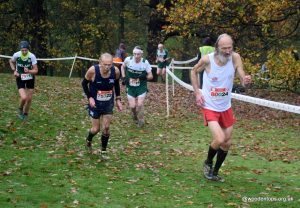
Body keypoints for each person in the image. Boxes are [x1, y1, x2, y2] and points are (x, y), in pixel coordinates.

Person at [191, 34, 251, 182]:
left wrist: (245, 80)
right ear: (217, 48)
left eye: (230, 47)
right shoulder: (207, 60)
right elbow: (193, 71)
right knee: (219, 138)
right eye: (224, 48)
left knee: (227, 142)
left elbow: (241, 73)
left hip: (225, 106)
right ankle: (208, 162)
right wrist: (197, 92)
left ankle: (215, 172)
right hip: (209, 105)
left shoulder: (235, 57)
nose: (228, 51)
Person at [82, 53, 123, 159]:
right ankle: (89, 139)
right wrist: (89, 97)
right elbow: (84, 83)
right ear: (100, 62)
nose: (107, 67)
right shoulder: (93, 71)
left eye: (110, 64)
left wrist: (118, 99)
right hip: (95, 103)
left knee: (106, 127)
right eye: (105, 64)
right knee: (96, 129)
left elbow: (116, 84)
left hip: (108, 103)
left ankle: (103, 150)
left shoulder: (116, 71)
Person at [121, 46, 153, 127]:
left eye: (138, 54)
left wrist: (144, 77)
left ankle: (141, 120)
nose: (136, 56)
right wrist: (124, 77)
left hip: (141, 86)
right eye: (134, 54)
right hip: (130, 86)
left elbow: (151, 76)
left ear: (141, 54)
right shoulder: (128, 60)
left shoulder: (145, 62)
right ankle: (134, 115)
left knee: (140, 104)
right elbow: (122, 67)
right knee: (132, 106)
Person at [9, 40, 38, 120]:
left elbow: (36, 70)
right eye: (22, 50)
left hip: (30, 78)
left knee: (29, 99)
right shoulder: (17, 55)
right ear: (20, 50)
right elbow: (11, 61)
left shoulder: (32, 56)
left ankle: (25, 115)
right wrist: (14, 70)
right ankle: (20, 110)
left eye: (26, 50)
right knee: (24, 97)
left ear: (28, 49)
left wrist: (29, 71)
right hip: (20, 77)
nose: (24, 52)